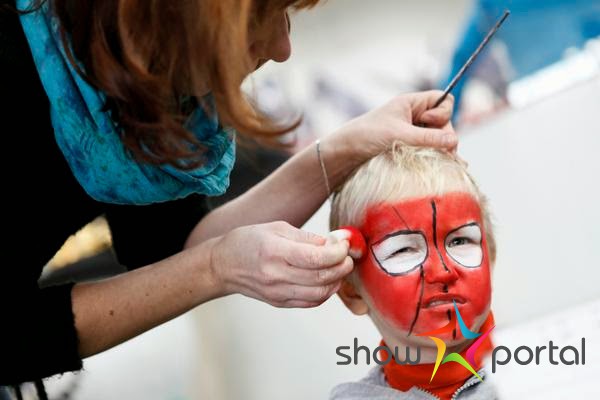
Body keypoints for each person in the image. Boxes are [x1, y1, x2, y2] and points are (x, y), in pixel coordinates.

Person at [0, 0, 458, 395]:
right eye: (266, 14)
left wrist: (346, 147)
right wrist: (216, 268)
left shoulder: (149, 81)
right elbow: (13, 334)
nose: (282, 49)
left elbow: (179, 246)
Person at [329, 145, 497, 399]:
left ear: (490, 259)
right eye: (404, 249)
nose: (442, 271)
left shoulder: (551, 376)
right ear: (353, 293)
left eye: (459, 241)